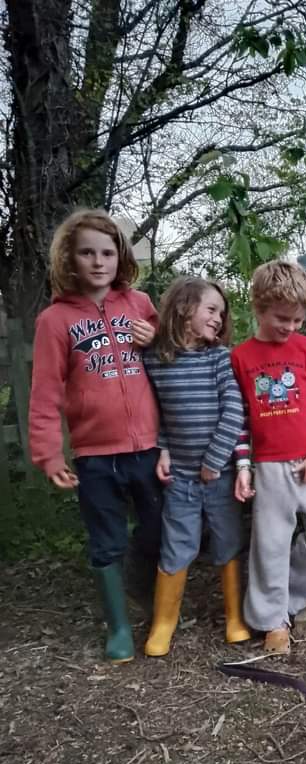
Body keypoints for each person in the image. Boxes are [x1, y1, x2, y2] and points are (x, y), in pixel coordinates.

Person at [29, 208, 162, 663]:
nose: (99, 261)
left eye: (107, 252)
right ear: (70, 257)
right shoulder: (55, 320)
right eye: (87, 252)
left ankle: (154, 604)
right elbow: (45, 393)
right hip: (94, 455)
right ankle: (119, 627)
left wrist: (154, 337)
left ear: (120, 256)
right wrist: (48, 454)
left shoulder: (140, 305)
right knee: (107, 540)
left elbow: (171, 355)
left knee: (158, 528)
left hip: (147, 447)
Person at [231, 260, 306, 654]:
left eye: (298, 320)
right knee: (271, 545)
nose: (291, 327)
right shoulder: (241, 358)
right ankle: (273, 621)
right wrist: (243, 466)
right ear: (259, 308)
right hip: (270, 469)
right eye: (282, 319)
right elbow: (239, 419)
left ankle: (287, 601)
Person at [143, 277, 253, 657]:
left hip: (219, 476)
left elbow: (234, 411)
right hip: (181, 480)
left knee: (227, 541)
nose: (218, 320)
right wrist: (163, 448)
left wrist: (214, 460)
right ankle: (164, 623)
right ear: (183, 308)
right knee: (176, 545)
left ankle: (234, 617)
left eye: (222, 314)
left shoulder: (218, 358)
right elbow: (158, 412)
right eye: (211, 309)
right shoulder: (157, 360)